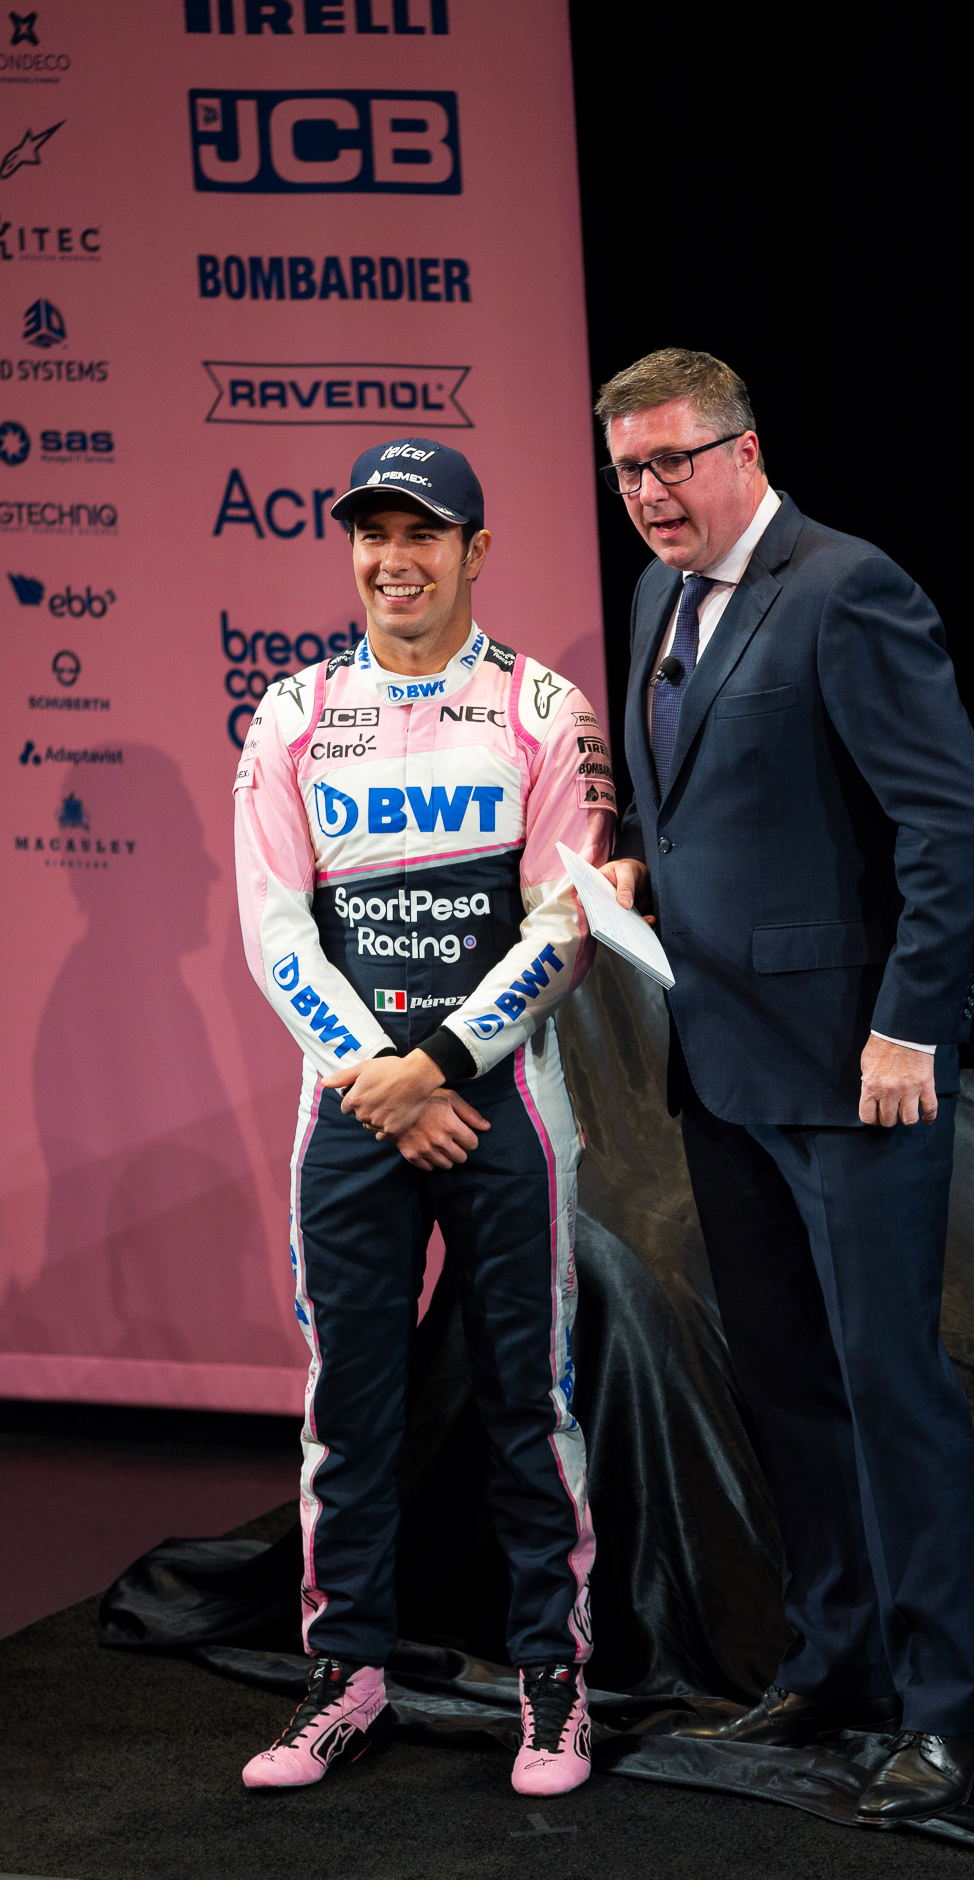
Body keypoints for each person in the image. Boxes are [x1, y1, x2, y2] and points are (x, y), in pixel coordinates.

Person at [596, 351, 974, 1825]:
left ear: (745, 450)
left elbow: (952, 821)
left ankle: (950, 1711)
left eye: (673, 463)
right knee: (787, 1383)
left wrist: (911, 1027)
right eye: (628, 470)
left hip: (856, 1075)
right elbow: (693, 790)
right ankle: (839, 1661)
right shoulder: (657, 597)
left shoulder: (847, 587)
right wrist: (637, 859)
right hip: (722, 1064)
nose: (649, 494)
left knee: (892, 1389)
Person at [233, 436, 613, 1798]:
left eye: (424, 534)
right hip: (349, 1110)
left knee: (530, 1401)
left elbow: (568, 926)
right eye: (372, 534)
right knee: (352, 1404)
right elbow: (275, 930)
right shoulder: (287, 715)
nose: (395, 559)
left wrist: (438, 1063)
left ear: (476, 551)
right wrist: (377, 1081)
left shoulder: (544, 709)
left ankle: (553, 1681)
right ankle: (349, 1675)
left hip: (501, 1096)